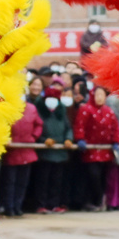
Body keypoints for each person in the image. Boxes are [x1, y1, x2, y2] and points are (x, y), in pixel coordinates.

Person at [73, 86, 119, 210]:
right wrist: (80, 139)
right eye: (97, 95)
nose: (100, 98)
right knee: (92, 175)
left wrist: (116, 141)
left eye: (102, 95)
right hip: (90, 150)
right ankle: (95, 199)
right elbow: (80, 125)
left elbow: (115, 127)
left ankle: (99, 201)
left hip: (105, 150)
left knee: (103, 176)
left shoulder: (109, 111)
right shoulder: (86, 109)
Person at [32, 84, 74, 213]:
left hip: (60, 152)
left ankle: (54, 204)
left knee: (57, 181)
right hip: (45, 152)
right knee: (43, 180)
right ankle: (41, 204)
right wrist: (44, 140)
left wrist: (68, 139)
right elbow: (36, 129)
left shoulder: (61, 112)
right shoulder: (40, 111)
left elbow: (68, 129)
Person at [1, 95, 41, 218]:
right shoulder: (8, 108)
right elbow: (2, 125)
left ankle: (18, 206)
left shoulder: (31, 108)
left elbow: (39, 124)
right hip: (12, 151)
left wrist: (33, 137)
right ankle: (9, 207)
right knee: (10, 182)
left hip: (27, 150)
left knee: (22, 182)